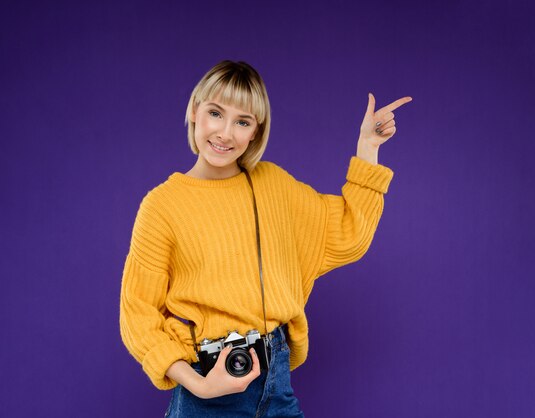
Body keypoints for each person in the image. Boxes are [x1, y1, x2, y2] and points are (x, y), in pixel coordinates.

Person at [119, 60, 411, 417]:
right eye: (215, 113)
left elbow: (348, 232)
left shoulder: (272, 184)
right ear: (195, 112)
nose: (225, 133)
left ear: (255, 132)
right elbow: (138, 314)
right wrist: (198, 384)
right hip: (207, 386)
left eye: (242, 121)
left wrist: (368, 146)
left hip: (276, 383)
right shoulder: (162, 205)